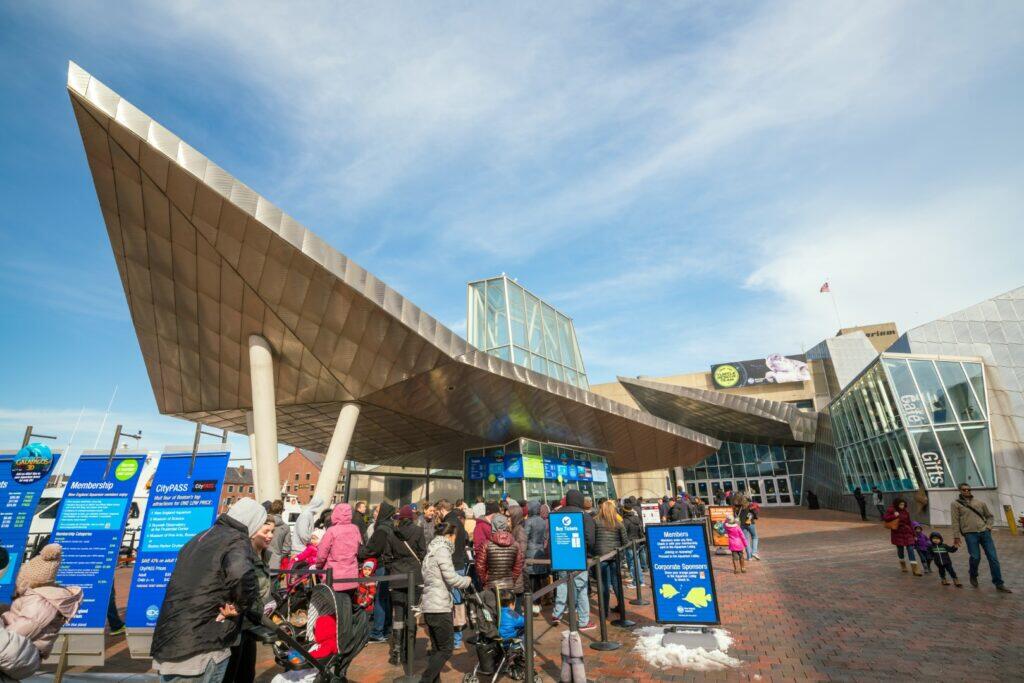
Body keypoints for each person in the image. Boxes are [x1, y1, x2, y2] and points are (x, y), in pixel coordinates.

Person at [152, 497, 265, 683]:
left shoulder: (201, 537)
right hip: (204, 639)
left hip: (172, 636)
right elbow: (241, 574)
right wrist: (241, 605)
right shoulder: (236, 540)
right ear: (252, 522)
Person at [0, 543, 82, 658]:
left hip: (19, 655)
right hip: (18, 650)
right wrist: (5, 611)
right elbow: (21, 616)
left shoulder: (41, 602)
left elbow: (21, 630)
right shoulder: (34, 596)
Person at [418, 522, 472, 683]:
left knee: (437, 649)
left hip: (430, 604)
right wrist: (467, 580)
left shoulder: (431, 551)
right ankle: (426, 680)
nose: (455, 540)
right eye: (455, 537)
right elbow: (451, 577)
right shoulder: (442, 551)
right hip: (439, 605)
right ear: (449, 536)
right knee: (446, 649)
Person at [225, 515, 275, 683]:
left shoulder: (266, 555)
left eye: (272, 532)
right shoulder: (243, 557)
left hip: (252, 623)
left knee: (246, 672)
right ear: (253, 533)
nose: (270, 536)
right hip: (237, 623)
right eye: (266, 531)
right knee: (232, 671)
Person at [951, 483, 1011, 592]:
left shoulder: (980, 503)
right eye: (964, 490)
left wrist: (988, 527)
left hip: (984, 533)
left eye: (969, 489)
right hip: (970, 534)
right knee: (975, 557)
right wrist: (956, 536)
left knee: (993, 558)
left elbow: (989, 516)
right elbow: (955, 521)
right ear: (959, 490)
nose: (967, 491)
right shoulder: (955, 504)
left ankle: (999, 583)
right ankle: (973, 574)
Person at [550, 489, 596, 631]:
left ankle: (557, 613)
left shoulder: (556, 514)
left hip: (561, 556)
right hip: (579, 557)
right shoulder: (584, 516)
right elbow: (590, 539)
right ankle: (583, 621)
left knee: (562, 584)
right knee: (581, 588)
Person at [361, 502, 396, 645]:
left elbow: (373, 549)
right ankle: (386, 629)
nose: (375, 513)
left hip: (381, 565)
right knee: (386, 598)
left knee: (380, 599)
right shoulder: (390, 526)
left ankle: (377, 631)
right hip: (388, 565)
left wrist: (361, 551)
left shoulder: (382, 529)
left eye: (377, 510)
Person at [316, 503, 363, 596]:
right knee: (347, 605)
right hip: (351, 575)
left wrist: (318, 566)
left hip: (333, 576)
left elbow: (322, 554)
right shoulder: (355, 529)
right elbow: (358, 549)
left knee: (334, 606)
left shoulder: (332, 531)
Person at [594, 500, 628, 618]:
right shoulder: (618, 523)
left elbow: (593, 540)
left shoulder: (596, 522)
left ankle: (604, 611)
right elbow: (625, 541)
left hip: (601, 556)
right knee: (616, 583)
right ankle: (621, 607)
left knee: (603, 584)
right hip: (615, 556)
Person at [475, 515, 524, 590]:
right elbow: (518, 566)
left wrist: (485, 579)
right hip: (509, 585)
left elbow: (480, 566)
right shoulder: (516, 545)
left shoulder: (486, 544)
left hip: (491, 586)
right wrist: (511, 579)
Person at [524, 501, 550, 615]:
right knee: (539, 579)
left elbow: (525, 536)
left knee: (531, 579)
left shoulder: (529, 521)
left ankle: (533, 604)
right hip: (540, 550)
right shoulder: (543, 521)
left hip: (530, 551)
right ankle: (538, 603)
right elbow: (545, 536)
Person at [883, 498, 920, 576]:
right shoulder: (891, 510)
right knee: (900, 549)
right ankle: (903, 565)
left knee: (910, 548)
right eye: (900, 504)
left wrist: (914, 535)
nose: (902, 506)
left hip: (907, 531)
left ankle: (915, 569)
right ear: (897, 504)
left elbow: (909, 523)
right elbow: (885, 518)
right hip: (897, 532)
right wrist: (894, 515)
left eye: (903, 504)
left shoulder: (906, 511)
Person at [621, 500, 644, 588]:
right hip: (637, 542)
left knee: (633, 562)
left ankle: (636, 582)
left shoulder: (625, 521)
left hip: (629, 543)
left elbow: (624, 533)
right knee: (636, 561)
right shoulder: (637, 518)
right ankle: (638, 579)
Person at [266, 500, 292, 572]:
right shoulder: (285, 527)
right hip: (275, 563)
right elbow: (287, 548)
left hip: (260, 562)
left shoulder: (263, 522)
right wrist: (279, 557)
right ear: (281, 511)